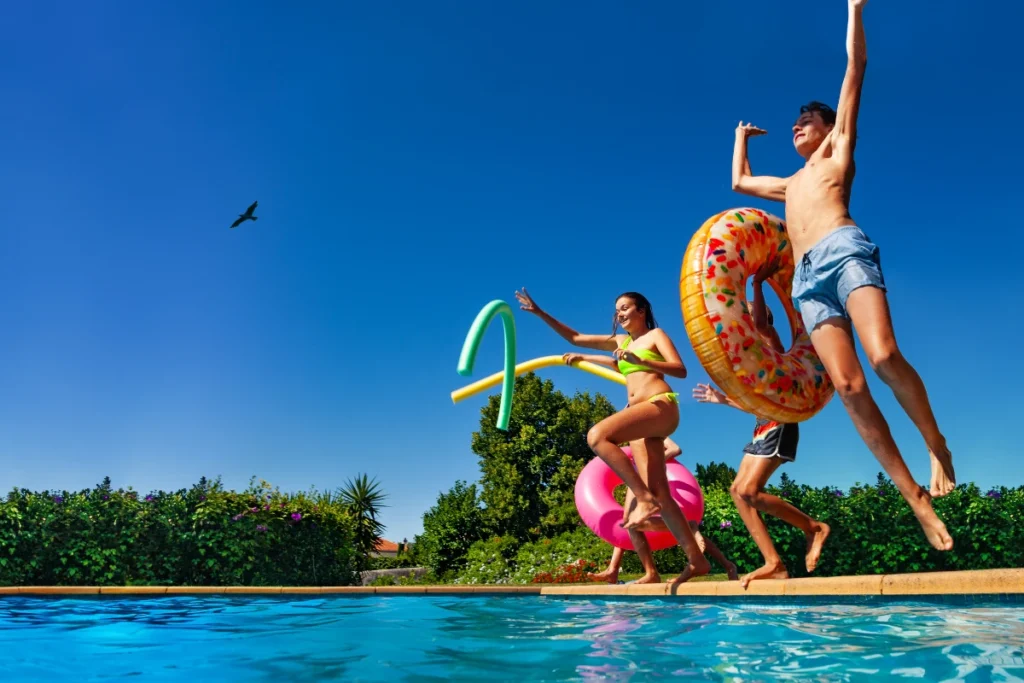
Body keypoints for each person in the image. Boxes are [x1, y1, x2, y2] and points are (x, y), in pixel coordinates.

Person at [728, 0, 954, 551]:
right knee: (850, 389)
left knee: (882, 357)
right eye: (794, 124)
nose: (796, 126)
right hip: (807, 281)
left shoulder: (838, 151)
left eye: (806, 120)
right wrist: (740, 137)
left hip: (843, 250)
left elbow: (855, 70)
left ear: (829, 128)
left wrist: (854, 10)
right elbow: (738, 183)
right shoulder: (789, 183)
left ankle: (936, 443)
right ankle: (914, 499)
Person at [514, 287, 710, 584]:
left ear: (641, 310)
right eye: (616, 309)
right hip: (642, 420)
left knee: (597, 436)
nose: (619, 313)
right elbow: (576, 337)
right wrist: (541, 314)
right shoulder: (621, 342)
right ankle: (697, 560)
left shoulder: (655, 336)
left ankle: (643, 499)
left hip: (659, 406)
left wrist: (639, 359)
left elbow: (680, 370)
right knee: (664, 497)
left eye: (625, 307)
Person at [692, 258, 831, 587]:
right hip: (762, 428)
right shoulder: (753, 362)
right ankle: (774, 563)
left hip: (780, 425)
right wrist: (722, 400)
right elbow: (753, 405)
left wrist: (756, 284)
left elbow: (759, 320)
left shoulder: (768, 340)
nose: (744, 317)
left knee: (749, 490)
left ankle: (813, 527)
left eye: (751, 312)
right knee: (738, 492)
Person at [587, 436, 739, 585]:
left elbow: (675, 448)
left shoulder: (647, 425)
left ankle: (652, 571)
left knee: (634, 523)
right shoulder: (631, 431)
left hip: (647, 475)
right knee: (628, 522)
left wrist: (649, 464)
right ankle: (616, 570)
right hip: (634, 478)